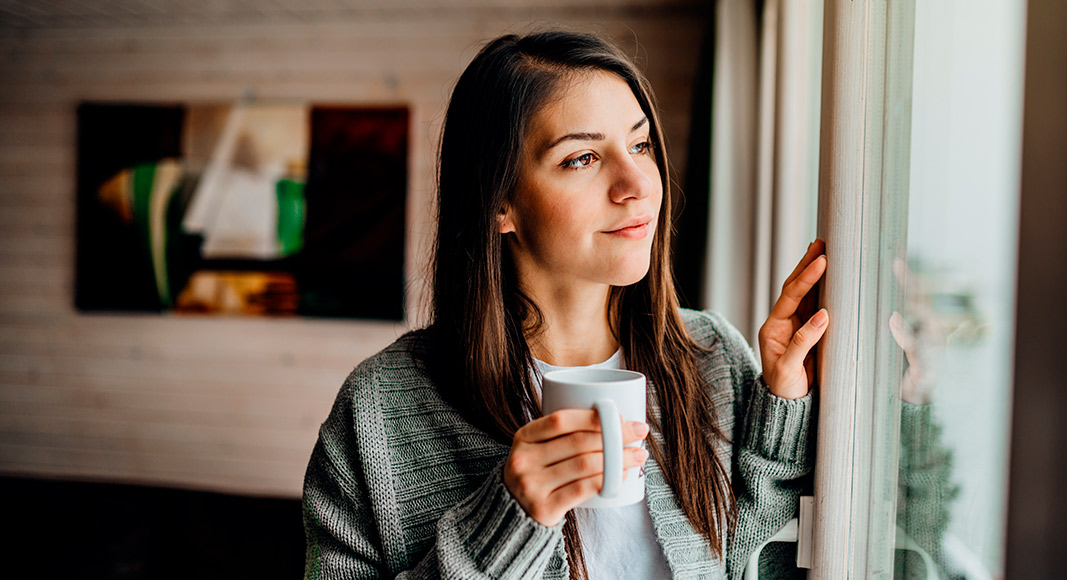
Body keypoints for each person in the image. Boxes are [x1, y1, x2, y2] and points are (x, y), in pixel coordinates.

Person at [301, 30, 829, 580]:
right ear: (499, 202)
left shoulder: (713, 358)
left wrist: (782, 405)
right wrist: (504, 524)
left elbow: (754, 559)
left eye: (640, 145)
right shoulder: (379, 410)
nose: (637, 184)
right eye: (582, 158)